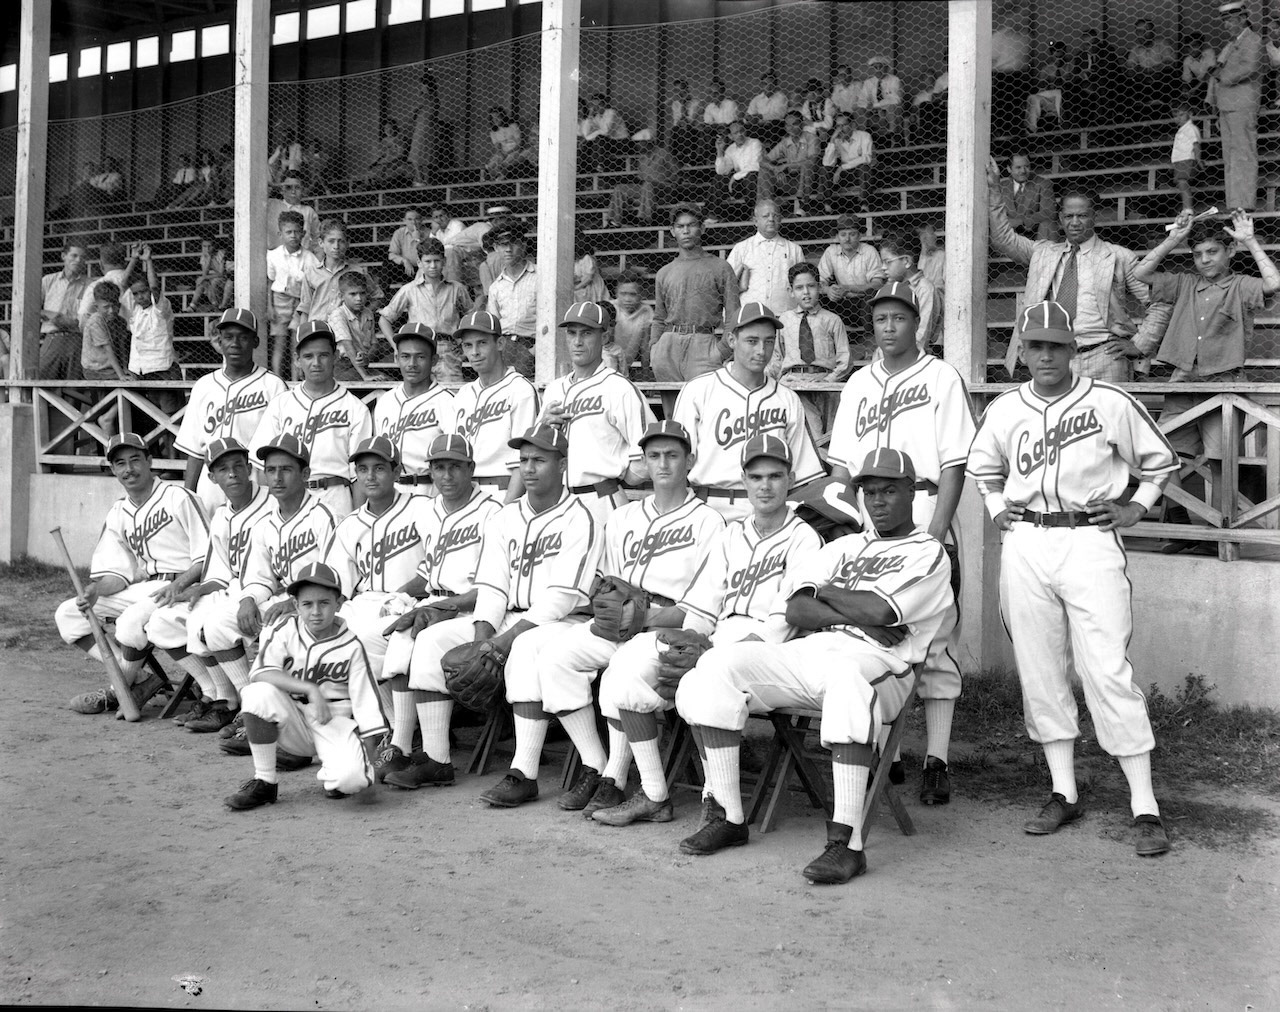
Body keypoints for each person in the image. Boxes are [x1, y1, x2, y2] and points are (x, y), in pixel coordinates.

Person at [674, 447, 953, 882]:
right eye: (869, 491)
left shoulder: (928, 552)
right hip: (814, 651)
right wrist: (850, 611)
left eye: (889, 490)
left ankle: (847, 844)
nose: (877, 501)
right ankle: (728, 817)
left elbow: (882, 611)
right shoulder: (844, 545)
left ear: (911, 493)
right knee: (717, 665)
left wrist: (828, 594)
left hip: (882, 663)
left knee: (846, 677)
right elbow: (796, 608)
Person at [967, 300, 1178, 858]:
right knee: (1040, 668)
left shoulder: (1110, 401)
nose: (1045, 356)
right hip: (1028, 541)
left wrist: (1135, 508)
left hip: (1089, 539)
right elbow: (982, 468)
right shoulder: (1006, 408)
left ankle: (1145, 805)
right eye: (1035, 346)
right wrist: (997, 508)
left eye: (1055, 346)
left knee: (1106, 669)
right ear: (1023, 350)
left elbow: (1159, 462)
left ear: (1073, 350)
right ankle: (1064, 792)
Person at [586, 429, 819, 824]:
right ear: (743, 481)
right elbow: (704, 604)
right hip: (719, 635)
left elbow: (786, 620)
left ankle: (718, 800)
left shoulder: (805, 539)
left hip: (767, 648)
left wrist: (710, 653)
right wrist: (690, 639)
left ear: (791, 480)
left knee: (702, 680)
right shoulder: (733, 535)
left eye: (775, 476)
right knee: (625, 667)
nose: (765, 486)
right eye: (756, 477)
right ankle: (654, 794)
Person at [523, 419, 724, 818]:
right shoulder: (623, 517)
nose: (662, 464)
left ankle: (619, 780)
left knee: (622, 673)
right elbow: (608, 582)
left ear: (690, 461)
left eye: (672, 455)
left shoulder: (709, 521)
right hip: (621, 621)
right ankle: (596, 765)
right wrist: (609, 606)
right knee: (554, 658)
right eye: (654, 455)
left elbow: (701, 607)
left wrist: (644, 617)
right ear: (643, 462)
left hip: (667, 625)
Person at [827, 282, 976, 801]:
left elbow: (955, 463)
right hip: (868, 520)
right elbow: (841, 466)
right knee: (872, 635)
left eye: (899, 318)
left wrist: (935, 535)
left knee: (934, 641)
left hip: (925, 507)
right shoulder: (857, 383)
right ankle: (884, 752)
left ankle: (937, 759)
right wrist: (848, 526)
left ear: (917, 323)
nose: (889, 327)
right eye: (881, 318)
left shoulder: (941, 377)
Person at [456, 424, 604, 809]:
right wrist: (481, 641)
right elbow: (492, 587)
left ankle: (524, 771)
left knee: (524, 647)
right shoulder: (504, 517)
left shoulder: (582, 517)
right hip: (509, 618)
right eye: (523, 460)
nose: (529, 468)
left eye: (539, 460)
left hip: (564, 620)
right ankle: (428, 756)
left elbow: (562, 597)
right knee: (428, 642)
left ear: (563, 465)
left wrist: (501, 642)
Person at [1132, 210, 1280, 548]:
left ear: (1230, 251)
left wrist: (1250, 240)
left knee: (1221, 462)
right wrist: (1174, 238)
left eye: (1212, 252)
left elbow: (1273, 283)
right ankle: (1180, 524)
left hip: (1224, 381)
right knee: (1162, 455)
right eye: (1198, 254)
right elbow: (1140, 273)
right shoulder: (1185, 283)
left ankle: (1220, 534)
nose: (1204, 260)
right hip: (1183, 379)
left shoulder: (1240, 285)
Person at [376, 433, 503, 787]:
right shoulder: (429, 511)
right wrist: (397, 597)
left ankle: (437, 759)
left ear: (471, 469)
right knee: (399, 634)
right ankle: (401, 745)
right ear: (429, 471)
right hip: (437, 601)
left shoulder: (492, 512)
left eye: (455, 467)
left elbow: (494, 585)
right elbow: (427, 573)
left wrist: (444, 606)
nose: (446, 476)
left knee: (424, 639)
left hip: (474, 607)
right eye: (439, 467)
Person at [56, 433, 209, 716]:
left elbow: (209, 556)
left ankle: (118, 691)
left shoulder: (179, 497)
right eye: (120, 463)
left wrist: (179, 584)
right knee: (69, 614)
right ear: (113, 470)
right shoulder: (118, 511)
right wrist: (96, 590)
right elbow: (117, 574)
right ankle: (139, 680)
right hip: (148, 588)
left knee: (129, 624)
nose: (129, 469)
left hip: (188, 586)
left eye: (135, 460)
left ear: (150, 461)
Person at [222, 562, 386, 810]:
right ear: (296, 605)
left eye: (324, 603)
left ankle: (334, 772)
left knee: (353, 782)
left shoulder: (352, 646)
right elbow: (261, 672)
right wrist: (310, 689)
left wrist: (369, 768)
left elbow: (368, 709)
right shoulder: (285, 630)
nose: (316, 611)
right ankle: (264, 781)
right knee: (256, 692)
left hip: (334, 722)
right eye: (307, 604)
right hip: (292, 719)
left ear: (339, 603)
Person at [218, 432, 341, 754]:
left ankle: (277, 723)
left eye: (286, 469)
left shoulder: (324, 515)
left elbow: (335, 577)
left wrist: (292, 603)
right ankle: (251, 709)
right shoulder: (265, 523)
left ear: (305, 474)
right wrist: (248, 599)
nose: (277, 477)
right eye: (271, 470)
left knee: (276, 629)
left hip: (318, 603)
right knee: (219, 624)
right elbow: (259, 576)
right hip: (282, 599)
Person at [145, 437, 274, 733]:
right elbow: (218, 574)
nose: (233, 474)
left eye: (238, 466)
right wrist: (198, 589)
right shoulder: (222, 515)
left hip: (264, 591)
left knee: (210, 626)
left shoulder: (272, 503)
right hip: (232, 590)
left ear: (249, 469)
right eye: (223, 469)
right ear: (213, 477)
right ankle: (217, 694)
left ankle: (240, 704)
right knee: (161, 621)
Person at [987, 160, 1149, 381]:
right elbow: (1003, 238)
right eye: (1069, 216)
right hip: (1057, 357)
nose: (1075, 222)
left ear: (1094, 217)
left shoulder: (1119, 256)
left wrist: (1140, 344)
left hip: (1105, 356)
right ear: (1061, 219)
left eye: (1082, 215)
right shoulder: (1043, 253)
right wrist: (995, 189)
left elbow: (1158, 302)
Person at [674, 302, 824, 521]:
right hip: (709, 507)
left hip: (770, 509)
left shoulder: (787, 398)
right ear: (732, 340)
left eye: (768, 341)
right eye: (752, 341)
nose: (761, 351)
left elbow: (804, 473)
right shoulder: (698, 390)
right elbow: (677, 464)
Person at [323, 435, 436, 690]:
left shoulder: (422, 508)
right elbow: (338, 585)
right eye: (363, 469)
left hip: (412, 600)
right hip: (366, 602)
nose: (370, 477)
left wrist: (400, 595)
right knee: (325, 633)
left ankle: (388, 713)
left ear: (396, 472)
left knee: (363, 638)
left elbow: (435, 567)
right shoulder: (350, 525)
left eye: (379, 468)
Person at [537, 302, 656, 527]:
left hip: (601, 500)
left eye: (586, 333)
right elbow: (535, 452)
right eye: (572, 333)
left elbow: (649, 450)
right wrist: (542, 427)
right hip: (557, 501)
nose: (577, 341)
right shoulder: (554, 389)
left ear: (604, 337)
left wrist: (619, 478)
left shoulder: (619, 387)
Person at [248, 320, 375, 520]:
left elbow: (359, 475)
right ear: (297, 360)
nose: (316, 363)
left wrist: (358, 521)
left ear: (335, 356)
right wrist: (270, 509)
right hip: (289, 497)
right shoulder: (280, 404)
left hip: (335, 496)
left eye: (323, 355)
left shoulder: (355, 408)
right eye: (308, 356)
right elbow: (262, 467)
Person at [176, 308, 287, 515]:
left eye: (243, 337)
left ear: (255, 342)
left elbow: (280, 451)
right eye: (228, 337)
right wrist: (188, 498)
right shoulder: (204, 386)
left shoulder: (273, 386)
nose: (235, 343)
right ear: (220, 341)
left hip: (255, 482)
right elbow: (195, 450)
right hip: (211, 484)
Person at [648, 204, 740, 403]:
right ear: (672, 231)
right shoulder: (664, 272)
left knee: (704, 409)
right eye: (680, 226)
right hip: (668, 346)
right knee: (672, 413)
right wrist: (655, 348)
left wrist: (721, 350)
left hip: (703, 343)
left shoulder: (720, 267)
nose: (686, 231)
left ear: (702, 228)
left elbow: (734, 314)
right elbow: (659, 317)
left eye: (691, 225)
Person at [451, 310, 540, 503]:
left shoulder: (520, 389)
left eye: (482, 343)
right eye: (468, 345)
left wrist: (506, 508)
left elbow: (524, 459)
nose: (474, 352)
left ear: (500, 343)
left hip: (503, 490)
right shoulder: (463, 395)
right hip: (466, 492)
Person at [373, 323, 455, 497]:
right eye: (405, 356)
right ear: (396, 358)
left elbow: (454, 459)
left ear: (434, 360)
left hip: (430, 490)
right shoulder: (386, 401)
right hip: (392, 490)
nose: (412, 364)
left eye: (420, 357)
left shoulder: (447, 402)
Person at [767, 262, 849, 434]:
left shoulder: (832, 320)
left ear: (819, 287)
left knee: (829, 435)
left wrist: (828, 381)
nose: (806, 292)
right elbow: (777, 357)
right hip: (793, 383)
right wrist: (771, 381)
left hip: (824, 383)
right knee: (810, 431)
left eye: (811, 286)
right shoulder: (784, 320)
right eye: (799, 288)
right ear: (791, 291)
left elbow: (845, 360)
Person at [377, 237, 473, 385]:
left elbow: (471, 317)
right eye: (428, 261)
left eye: (437, 261)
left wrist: (466, 343)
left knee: (451, 392)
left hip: (448, 350)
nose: (433, 266)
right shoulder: (409, 290)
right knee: (419, 392)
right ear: (419, 262)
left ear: (444, 261)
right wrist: (396, 347)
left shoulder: (457, 289)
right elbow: (384, 319)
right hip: (417, 350)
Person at [1212, 1, 1263, 211]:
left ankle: (1245, 204)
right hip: (1227, 105)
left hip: (1242, 104)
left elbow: (1249, 67)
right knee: (1230, 157)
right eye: (1224, 21)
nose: (1226, 26)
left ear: (1242, 18)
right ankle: (1234, 203)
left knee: (1244, 154)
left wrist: (1221, 75)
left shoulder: (1254, 40)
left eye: (1230, 20)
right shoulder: (1230, 45)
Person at [293, 219, 381, 337]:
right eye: (331, 241)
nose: (336, 246)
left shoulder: (358, 272)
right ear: (321, 243)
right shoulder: (311, 273)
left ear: (347, 243)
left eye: (341, 241)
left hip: (347, 333)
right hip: (317, 331)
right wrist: (303, 335)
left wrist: (365, 313)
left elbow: (377, 297)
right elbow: (305, 308)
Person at [125, 247, 182, 424]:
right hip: (140, 371)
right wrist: (134, 259)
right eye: (135, 294)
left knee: (170, 418)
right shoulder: (134, 311)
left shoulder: (161, 308)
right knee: (147, 419)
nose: (140, 296)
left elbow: (155, 288)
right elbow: (121, 286)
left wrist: (148, 260)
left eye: (143, 291)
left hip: (162, 369)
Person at [480, 219, 538, 379]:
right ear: (495, 248)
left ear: (523, 245)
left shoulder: (539, 277)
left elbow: (550, 319)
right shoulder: (496, 287)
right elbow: (493, 327)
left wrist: (534, 351)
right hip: (504, 349)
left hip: (531, 347)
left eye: (514, 243)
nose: (508, 249)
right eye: (502, 245)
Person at [266, 210, 320, 378]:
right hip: (279, 301)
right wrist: (269, 307)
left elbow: (314, 284)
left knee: (296, 343)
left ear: (303, 233)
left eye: (297, 232)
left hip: (300, 302)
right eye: (288, 232)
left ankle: (296, 379)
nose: (293, 236)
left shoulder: (309, 257)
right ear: (280, 234)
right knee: (279, 343)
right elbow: (270, 282)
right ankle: (277, 379)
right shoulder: (273, 255)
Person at [727, 200, 805, 314]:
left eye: (775, 216)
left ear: (780, 219)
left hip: (785, 314)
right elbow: (727, 285)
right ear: (755, 221)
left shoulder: (794, 250)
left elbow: (803, 283)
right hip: (751, 317)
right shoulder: (741, 249)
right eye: (765, 216)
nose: (771, 219)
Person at [818, 213, 886, 340]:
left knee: (871, 296)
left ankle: (870, 341)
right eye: (843, 234)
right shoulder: (831, 252)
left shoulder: (869, 251)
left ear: (860, 235)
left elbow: (877, 284)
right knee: (819, 297)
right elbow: (819, 281)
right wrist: (828, 290)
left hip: (865, 303)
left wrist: (848, 288)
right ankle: (827, 341)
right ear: (837, 236)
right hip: (843, 302)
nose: (847, 239)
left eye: (852, 234)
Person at [38, 238, 91, 381]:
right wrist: (54, 316)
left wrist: (69, 322)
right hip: (53, 337)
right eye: (74, 255)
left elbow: (87, 317)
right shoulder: (48, 281)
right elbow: (33, 308)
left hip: (77, 340)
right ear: (63, 256)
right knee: (42, 380)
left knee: (73, 385)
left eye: (82, 257)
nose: (78, 260)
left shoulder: (89, 285)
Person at [879, 231, 940, 352]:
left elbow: (923, 334)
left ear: (906, 261)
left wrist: (902, 355)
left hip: (914, 355)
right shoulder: (892, 287)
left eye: (888, 262)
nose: (883, 267)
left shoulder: (924, 289)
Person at [606, 137, 682, 227]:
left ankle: (644, 219)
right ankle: (614, 221)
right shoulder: (642, 158)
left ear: (647, 141)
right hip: (647, 189)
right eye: (636, 143)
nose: (637, 145)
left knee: (647, 184)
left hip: (664, 188)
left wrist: (673, 188)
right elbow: (641, 179)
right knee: (620, 188)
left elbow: (678, 172)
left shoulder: (663, 152)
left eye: (639, 142)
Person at [758, 113, 820, 216]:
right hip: (791, 181)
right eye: (788, 125)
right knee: (764, 172)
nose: (791, 128)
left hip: (810, 181)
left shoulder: (812, 138)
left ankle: (803, 204)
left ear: (802, 124)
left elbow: (812, 161)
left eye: (794, 124)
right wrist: (775, 169)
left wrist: (786, 166)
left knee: (806, 166)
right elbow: (763, 161)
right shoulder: (785, 142)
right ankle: (767, 208)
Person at [326, 270, 380, 383]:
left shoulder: (368, 313)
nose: (359, 298)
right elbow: (348, 348)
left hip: (361, 365)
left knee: (387, 381)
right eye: (353, 294)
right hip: (342, 366)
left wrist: (367, 357)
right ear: (341, 296)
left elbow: (374, 343)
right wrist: (365, 376)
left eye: (362, 293)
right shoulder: (338, 315)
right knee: (378, 384)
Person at [706, 121, 764, 223]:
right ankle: (713, 214)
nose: (740, 134)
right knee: (718, 179)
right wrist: (720, 151)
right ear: (730, 136)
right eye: (736, 133)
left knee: (751, 176)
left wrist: (734, 177)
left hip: (755, 182)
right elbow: (721, 171)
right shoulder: (730, 149)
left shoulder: (755, 143)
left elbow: (756, 166)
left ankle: (754, 212)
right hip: (739, 185)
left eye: (742, 131)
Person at [819, 112, 874, 213]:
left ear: (852, 125)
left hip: (860, 174)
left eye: (843, 125)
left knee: (864, 168)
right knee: (824, 170)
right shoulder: (837, 140)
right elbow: (827, 163)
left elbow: (867, 158)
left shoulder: (865, 136)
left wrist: (842, 167)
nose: (840, 129)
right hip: (844, 176)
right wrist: (832, 140)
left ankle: (864, 205)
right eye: (837, 126)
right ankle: (827, 206)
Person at [994, 152, 1056, 241]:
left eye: (1026, 166)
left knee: (1047, 224)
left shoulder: (1043, 184)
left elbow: (1049, 213)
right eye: (1018, 167)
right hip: (1008, 237)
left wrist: (1021, 221)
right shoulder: (1001, 187)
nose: (1023, 171)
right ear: (1009, 169)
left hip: (1035, 235)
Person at [76, 242, 138, 330]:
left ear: (100, 264)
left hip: (108, 335)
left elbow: (83, 319)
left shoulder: (94, 286)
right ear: (125, 263)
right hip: (139, 335)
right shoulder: (139, 282)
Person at [81, 280, 130, 389]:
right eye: (106, 307)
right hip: (95, 369)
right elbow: (108, 349)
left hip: (112, 368)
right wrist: (121, 375)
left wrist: (125, 368)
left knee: (133, 378)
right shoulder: (96, 321)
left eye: (114, 306)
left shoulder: (120, 321)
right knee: (126, 384)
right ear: (96, 307)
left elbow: (122, 347)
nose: (111, 311)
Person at [1126, 19, 1178, 115]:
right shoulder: (1135, 49)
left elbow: (1170, 63)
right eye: (1139, 31)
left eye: (1145, 30)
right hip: (1144, 83)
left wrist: (1146, 70)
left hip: (1162, 81)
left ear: (1153, 31)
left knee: (1170, 75)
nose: (1142, 34)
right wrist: (1150, 71)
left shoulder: (1163, 43)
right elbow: (1130, 70)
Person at [265, 174, 321, 254]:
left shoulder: (308, 212)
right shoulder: (272, 205)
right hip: (275, 256)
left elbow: (318, 237)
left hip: (301, 256)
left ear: (303, 190)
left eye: (297, 187)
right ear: (282, 190)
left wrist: (317, 257)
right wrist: (272, 185)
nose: (293, 191)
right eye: (288, 187)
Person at [611, 270, 653, 376]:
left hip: (626, 365)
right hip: (607, 366)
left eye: (632, 294)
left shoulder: (646, 311)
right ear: (616, 293)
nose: (627, 299)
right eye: (623, 294)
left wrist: (645, 374)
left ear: (642, 294)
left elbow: (645, 347)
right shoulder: (611, 308)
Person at [579, 93, 630, 172]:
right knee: (587, 144)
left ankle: (600, 166)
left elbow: (606, 132)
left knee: (599, 138)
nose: (596, 108)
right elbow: (586, 133)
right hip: (608, 144)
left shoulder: (611, 113)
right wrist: (590, 116)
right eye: (594, 105)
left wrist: (590, 137)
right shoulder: (597, 117)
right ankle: (582, 166)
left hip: (622, 143)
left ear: (605, 104)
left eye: (599, 105)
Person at [1026, 42, 1068, 134]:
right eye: (1056, 56)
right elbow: (1041, 88)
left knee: (1058, 92)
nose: (1058, 59)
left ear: (1064, 54)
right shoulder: (1046, 69)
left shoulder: (1069, 67)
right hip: (1049, 97)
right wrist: (1045, 84)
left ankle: (1060, 123)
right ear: (1052, 55)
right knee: (1032, 98)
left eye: (1061, 56)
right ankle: (1031, 128)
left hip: (1064, 96)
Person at [482, 106, 533, 181]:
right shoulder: (493, 132)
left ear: (502, 116)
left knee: (505, 163)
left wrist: (508, 152)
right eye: (493, 118)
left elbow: (520, 143)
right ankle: (489, 179)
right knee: (492, 163)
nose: (496, 120)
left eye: (498, 117)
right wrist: (500, 153)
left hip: (514, 150)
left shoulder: (513, 126)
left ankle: (501, 178)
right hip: (503, 152)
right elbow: (497, 146)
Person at [858, 56, 903, 140]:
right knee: (859, 110)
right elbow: (861, 100)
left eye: (881, 67)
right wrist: (869, 107)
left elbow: (896, 100)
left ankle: (892, 136)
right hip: (874, 112)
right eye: (875, 67)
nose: (878, 70)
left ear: (887, 68)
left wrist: (876, 105)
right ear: (872, 69)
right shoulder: (868, 82)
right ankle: (864, 139)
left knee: (892, 107)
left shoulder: (894, 80)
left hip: (889, 111)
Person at [409, 72, 440, 188]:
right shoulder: (434, 99)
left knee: (418, 155)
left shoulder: (427, 98)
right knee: (424, 155)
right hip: (425, 127)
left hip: (424, 127)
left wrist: (420, 97)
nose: (421, 87)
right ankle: (423, 179)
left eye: (423, 85)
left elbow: (413, 111)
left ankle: (421, 179)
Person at [1170, 102, 1203, 212]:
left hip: (1187, 160)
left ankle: (1188, 208)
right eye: (1175, 116)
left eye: (1181, 115)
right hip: (1180, 161)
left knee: (1183, 182)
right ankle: (1186, 207)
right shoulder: (1182, 129)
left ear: (1190, 114)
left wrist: (1198, 159)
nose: (1178, 118)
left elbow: (1196, 144)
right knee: (1181, 183)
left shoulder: (1191, 128)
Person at [744, 71, 789, 149]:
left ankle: (772, 153)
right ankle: (753, 151)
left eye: (771, 84)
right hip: (760, 126)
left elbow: (779, 115)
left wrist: (761, 117)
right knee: (746, 128)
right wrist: (749, 119)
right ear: (761, 85)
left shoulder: (781, 97)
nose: (768, 87)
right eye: (765, 84)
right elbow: (750, 114)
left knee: (774, 125)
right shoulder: (757, 99)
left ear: (776, 85)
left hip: (775, 126)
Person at [365, 119, 411, 188]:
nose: (388, 130)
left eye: (390, 128)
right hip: (386, 162)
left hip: (397, 161)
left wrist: (388, 164)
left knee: (387, 172)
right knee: (371, 172)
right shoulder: (384, 140)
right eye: (386, 128)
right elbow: (382, 155)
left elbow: (401, 155)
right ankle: (371, 186)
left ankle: (380, 184)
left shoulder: (400, 138)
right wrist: (375, 163)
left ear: (395, 128)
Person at [668, 79, 703, 166]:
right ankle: (672, 159)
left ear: (687, 89)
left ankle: (689, 158)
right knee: (674, 130)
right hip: (680, 130)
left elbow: (691, 121)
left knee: (685, 129)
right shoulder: (675, 104)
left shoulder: (696, 103)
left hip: (694, 130)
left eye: (681, 89)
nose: (679, 93)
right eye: (676, 90)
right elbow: (676, 122)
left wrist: (684, 103)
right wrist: (681, 104)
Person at [386, 208, 424, 284]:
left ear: (421, 220)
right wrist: (404, 261)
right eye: (410, 219)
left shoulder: (428, 233)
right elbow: (392, 254)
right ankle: (383, 291)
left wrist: (418, 240)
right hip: (405, 267)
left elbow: (429, 253)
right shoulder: (399, 233)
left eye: (416, 219)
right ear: (404, 220)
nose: (413, 222)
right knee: (387, 265)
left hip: (422, 268)